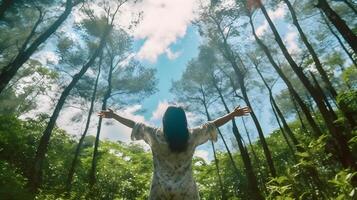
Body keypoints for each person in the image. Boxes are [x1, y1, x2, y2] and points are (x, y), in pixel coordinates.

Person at [98, 105, 251, 200]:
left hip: (160, 193)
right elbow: (212, 125)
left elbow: (134, 124)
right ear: (184, 121)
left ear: (164, 121)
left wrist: (114, 115)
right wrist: (232, 114)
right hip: (187, 194)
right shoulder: (192, 136)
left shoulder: (155, 135)